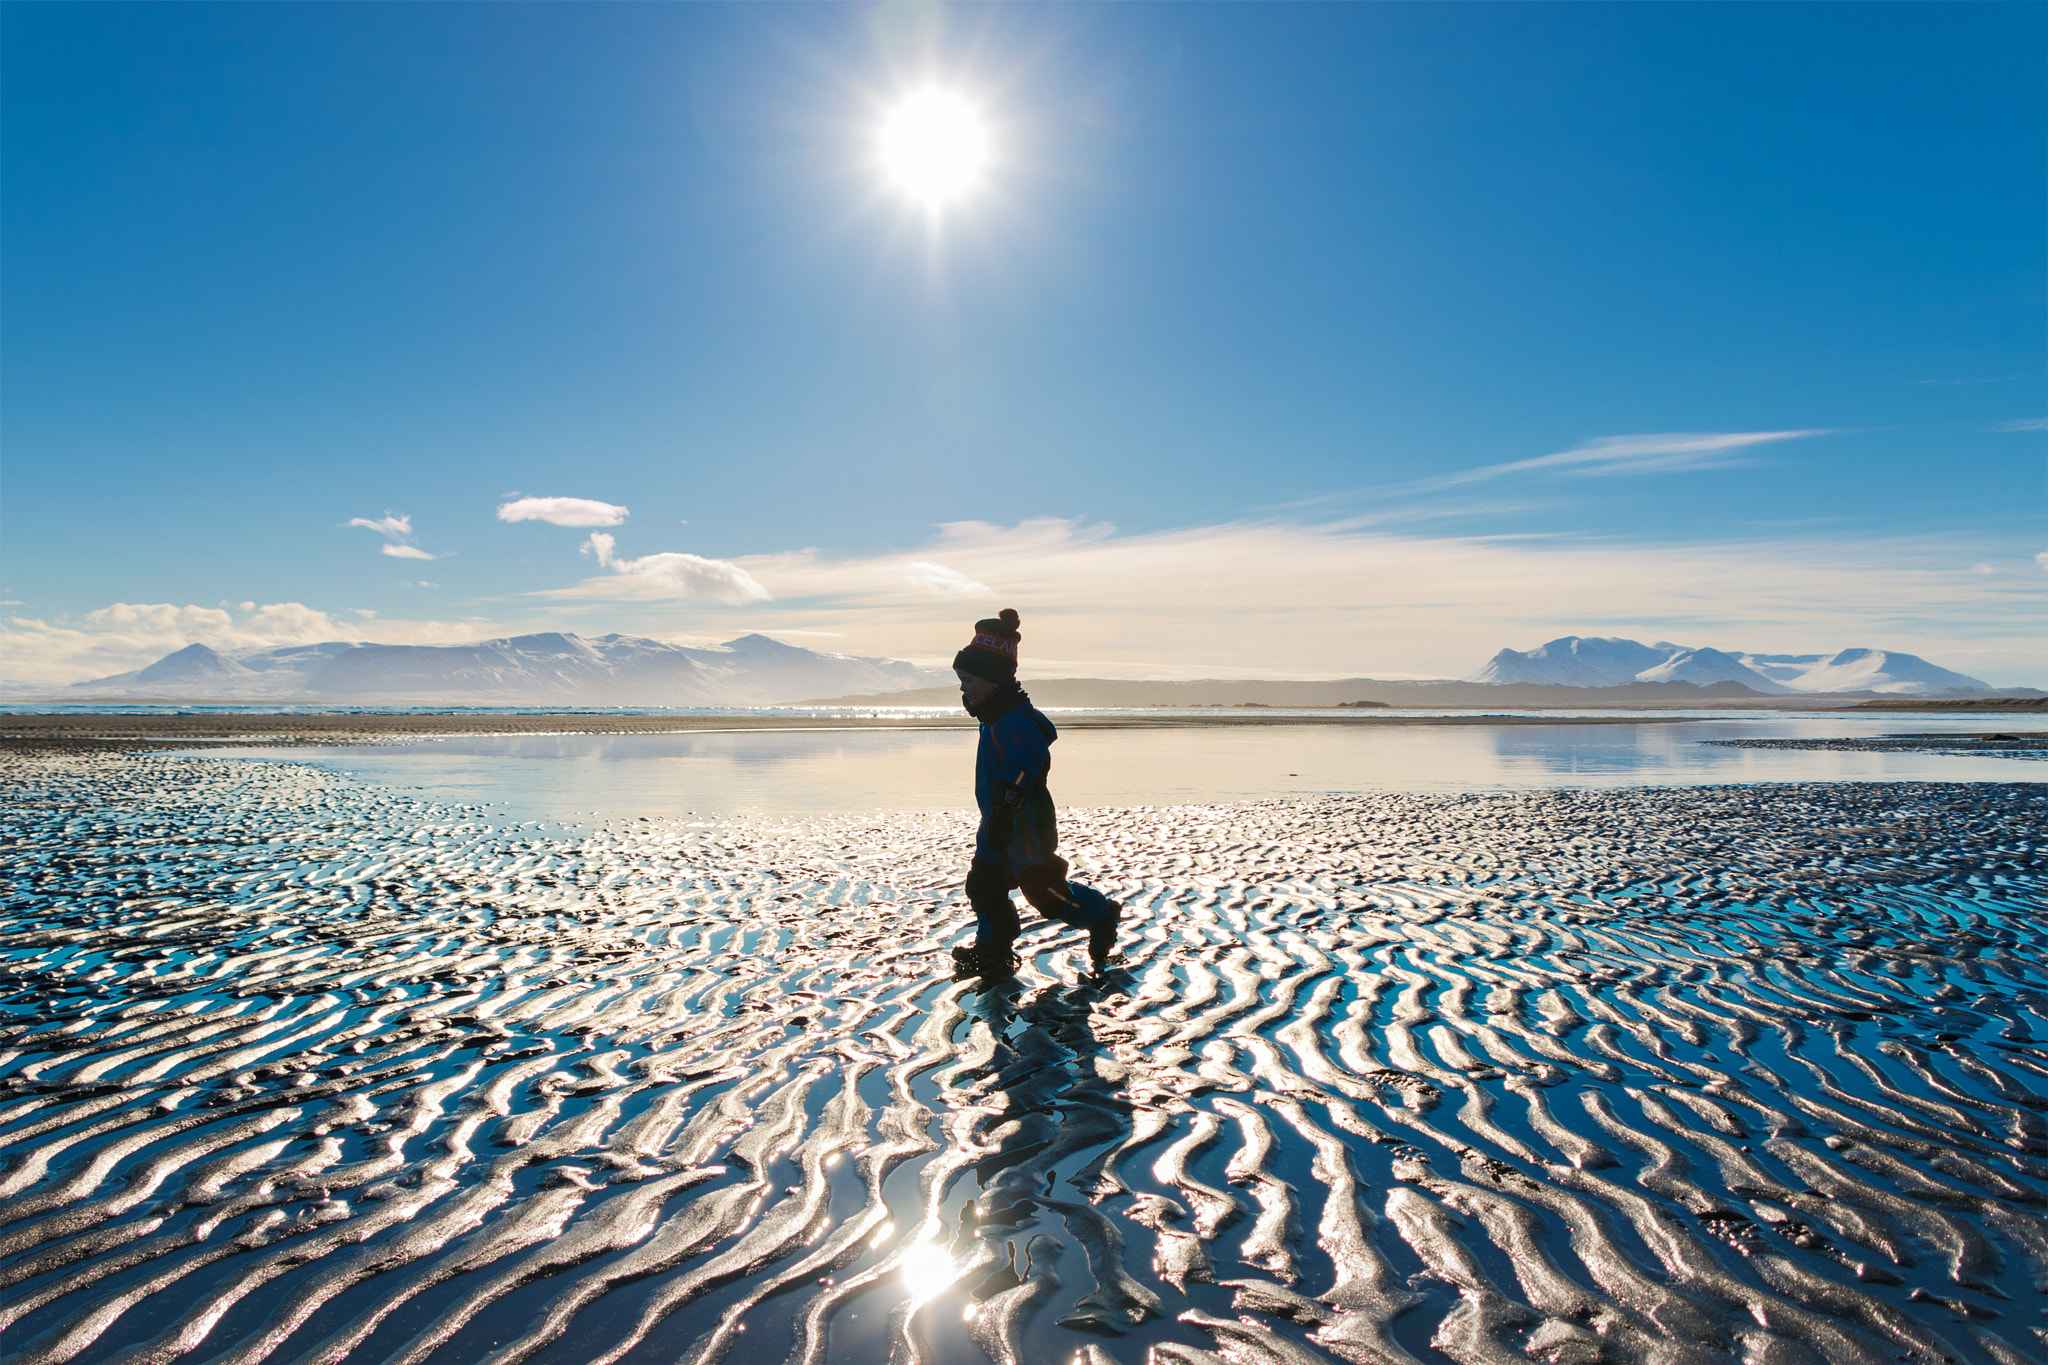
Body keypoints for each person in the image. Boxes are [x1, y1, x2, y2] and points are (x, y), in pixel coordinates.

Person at [949, 608, 1123, 976]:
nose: (963, 688)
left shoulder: (1018, 721)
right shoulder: (993, 717)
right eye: (961, 680)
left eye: (968, 680)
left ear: (993, 681)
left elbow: (1022, 766)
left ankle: (1100, 913)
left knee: (1044, 892)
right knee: (984, 886)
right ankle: (992, 950)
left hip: (1025, 825)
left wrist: (1005, 805)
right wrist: (995, 817)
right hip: (995, 823)